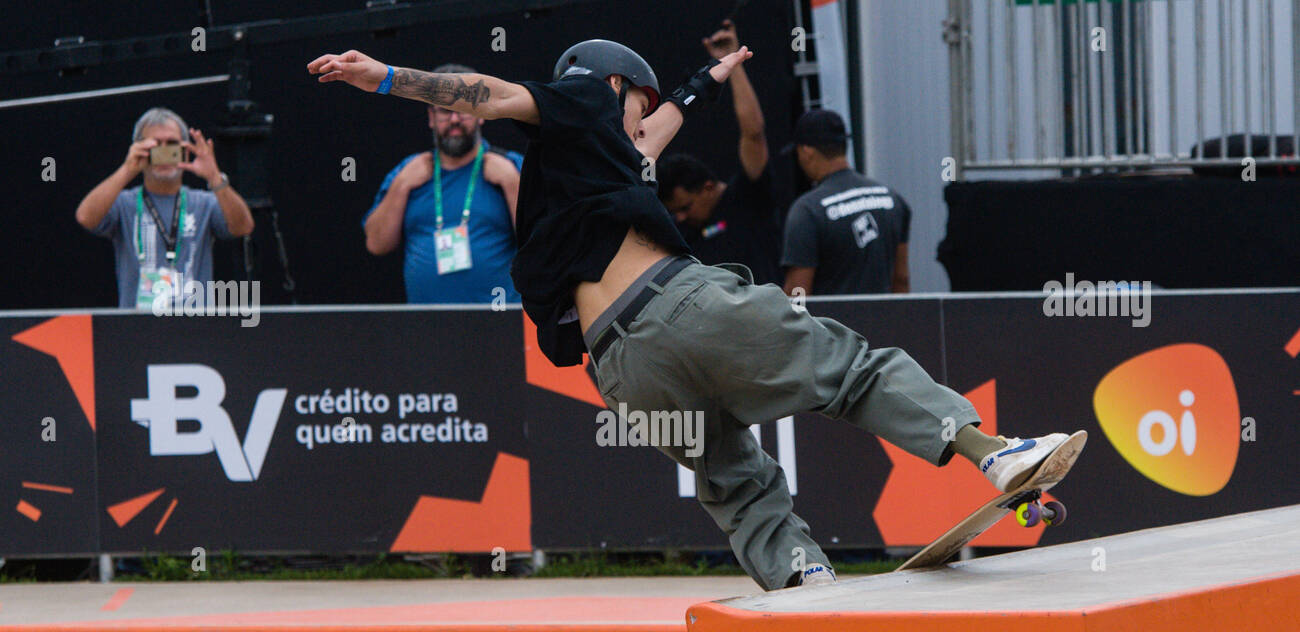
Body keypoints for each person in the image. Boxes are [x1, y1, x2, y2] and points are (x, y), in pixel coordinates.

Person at [308, 42, 1081, 591]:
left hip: (622, 372)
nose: (644, 126)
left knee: (734, 482)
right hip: (684, 305)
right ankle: (994, 454)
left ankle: (800, 574)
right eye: (635, 106)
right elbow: (486, 93)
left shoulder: (584, 161)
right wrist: (384, 79)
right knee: (850, 369)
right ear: (610, 87)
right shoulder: (579, 99)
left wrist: (704, 82)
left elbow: (661, 122)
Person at [363, 63, 524, 305]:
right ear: (431, 117)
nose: (455, 119)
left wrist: (512, 184)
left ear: (481, 114)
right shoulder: (407, 171)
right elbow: (376, 244)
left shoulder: (510, 167)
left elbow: (545, 245)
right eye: (445, 111)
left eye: (463, 109)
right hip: (427, 328)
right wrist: (401, 185)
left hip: (501, 323)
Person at [75, 107, 255, 309]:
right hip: (137, 329)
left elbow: (243, 226)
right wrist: (128, 169)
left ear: (184, 151)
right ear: (139, 148)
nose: (163, 152)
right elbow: (85, 217)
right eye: (155, 145)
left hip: (195, 329)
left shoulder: (204, 202)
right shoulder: (124, 203)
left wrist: (215, 178)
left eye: (171, 145)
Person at [655, 19, 782, 286]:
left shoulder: (748, 197)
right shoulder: (683, 233)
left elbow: (754, 133)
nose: (680, 217)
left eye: (685, 207)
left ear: (708, 187)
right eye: (675, 212)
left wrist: (731, 63)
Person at [780, 108, 910, 297]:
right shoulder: (892, 200)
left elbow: (798, 295)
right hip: (883, 324)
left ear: (806, 151)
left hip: (832, 326)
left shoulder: (807, 211)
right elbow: (901, 280)